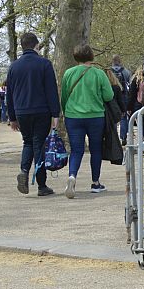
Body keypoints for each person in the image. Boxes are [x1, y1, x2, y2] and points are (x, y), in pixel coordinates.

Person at [6, 32, 62, 195]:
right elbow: (51, 90)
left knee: (28, 142)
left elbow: (9, 94)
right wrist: (55, 113)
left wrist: (12, 117)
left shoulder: (13, 66)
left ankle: (24, 170)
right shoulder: (44, 64)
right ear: (36, 45)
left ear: (22, 46)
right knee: (39, 144)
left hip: (21, 111)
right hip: (41, 110)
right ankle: (41, 185)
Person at [60, 44, 115, 198]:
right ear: (91, 56)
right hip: (95, 116)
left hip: (73, 116)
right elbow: (108, 96)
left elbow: (64, 96)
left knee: (76, 150)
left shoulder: (68, 73)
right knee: (95, 149)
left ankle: (72, 176)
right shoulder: (99, 74)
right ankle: (95, 182)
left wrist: (65, 111)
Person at [110, 55, 132, 144]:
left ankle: (114, 136)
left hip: (111, 97)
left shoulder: (108, 72)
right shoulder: (126, 72)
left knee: (113, 117)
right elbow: (129, 83)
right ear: (120, 61)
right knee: (123, 117)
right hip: (123, 96)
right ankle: (123, 137)